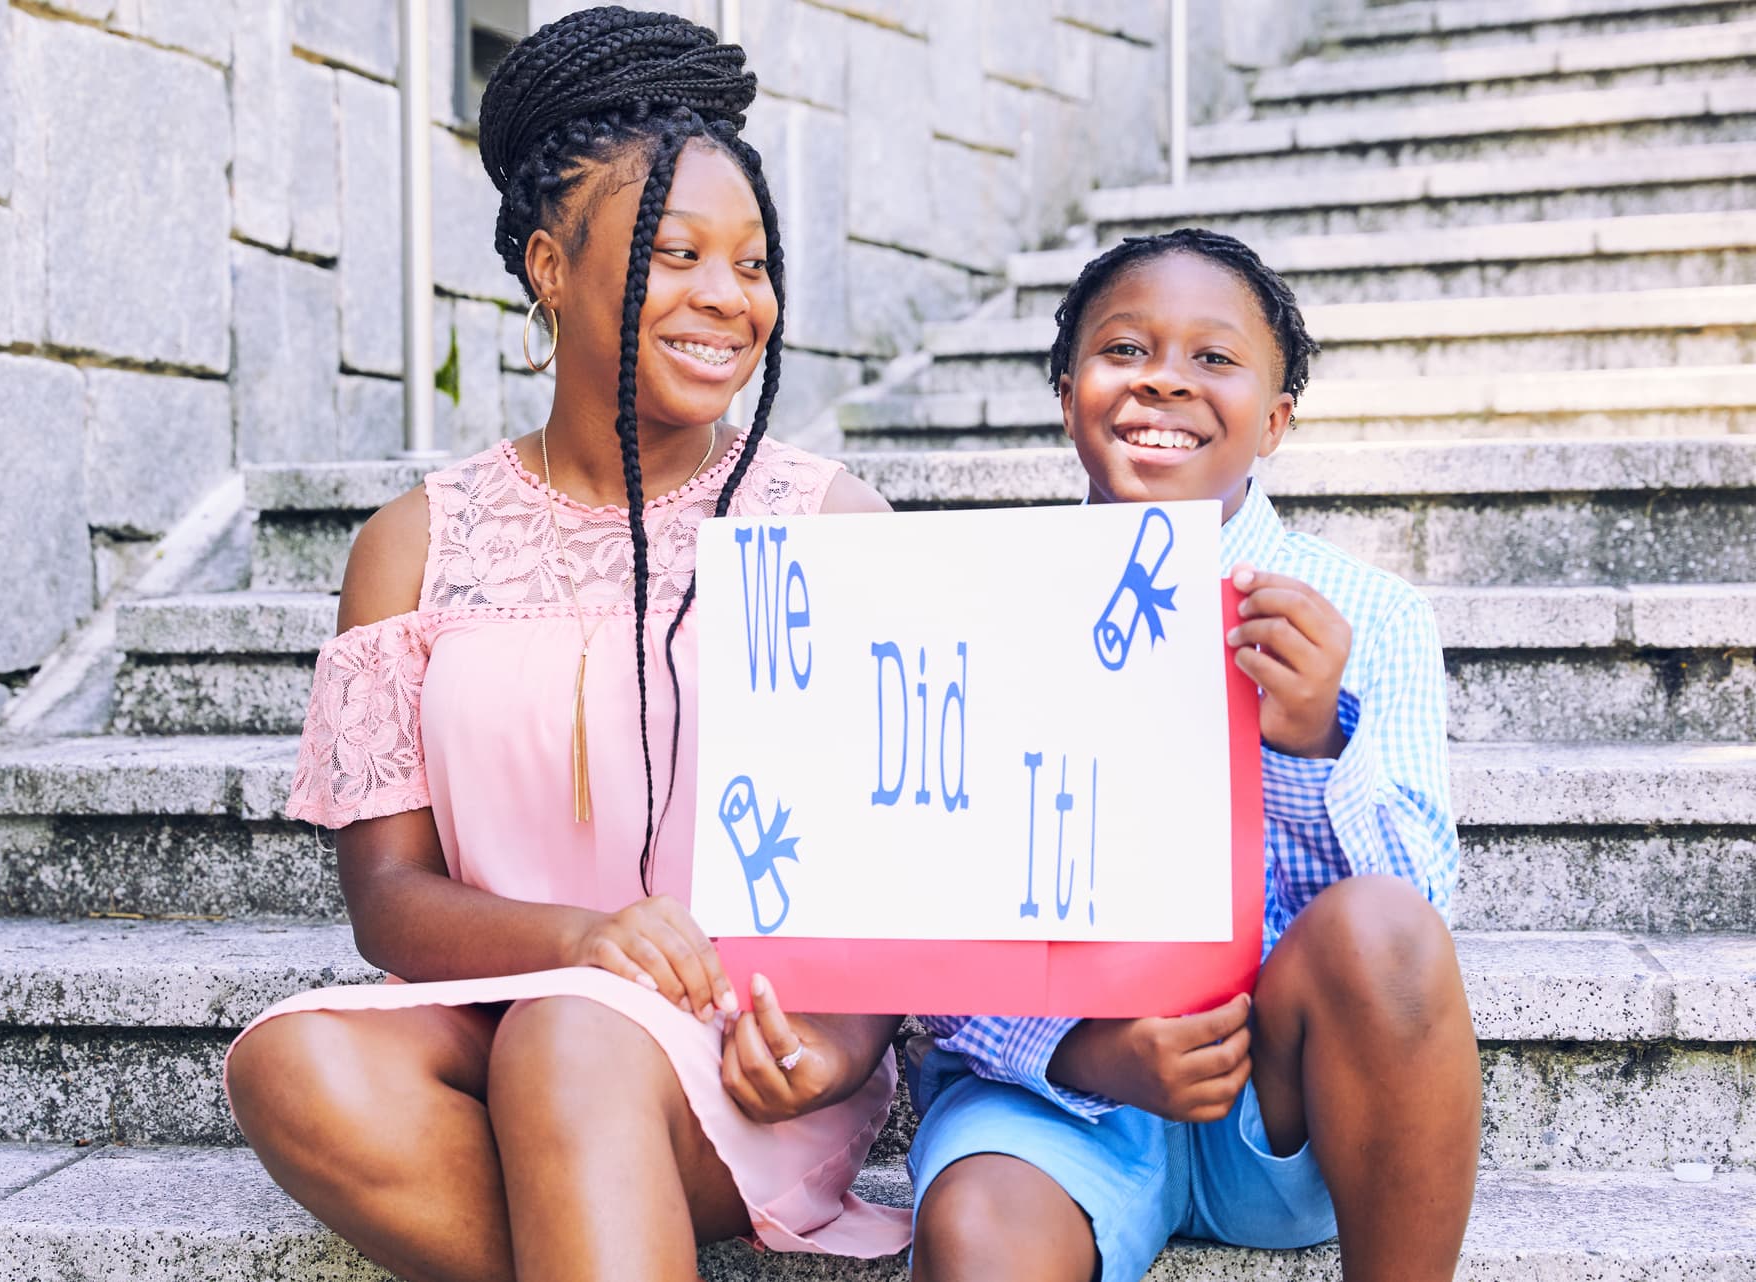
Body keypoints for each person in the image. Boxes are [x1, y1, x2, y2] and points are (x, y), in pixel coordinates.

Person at [222, 9, 910, 1280]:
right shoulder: (412, 544)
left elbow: (901, 860)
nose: (728, 298)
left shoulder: (827, 524)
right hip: (510, 1013)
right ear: (549, 264)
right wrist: (580, 944)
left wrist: (846, 1041)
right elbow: (387, 902)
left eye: (753, 264)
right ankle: (593, 1228)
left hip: (747, 1052)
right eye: (680, 255)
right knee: (291, 1060)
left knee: (570, 1043)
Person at [906, 228, 1481, 1282]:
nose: (1165, 379)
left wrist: (1313, 739)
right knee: (976, 1234)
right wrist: (1084, 1050)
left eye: (1214, 358)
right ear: (1067, 390)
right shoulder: (971, 601)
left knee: (1383, 926)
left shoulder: (1370, 616)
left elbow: (1411, 930)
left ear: (1275, 420)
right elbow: (918, 919)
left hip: (1280, 1095)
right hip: (1052, 1098)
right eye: (1125, 350)